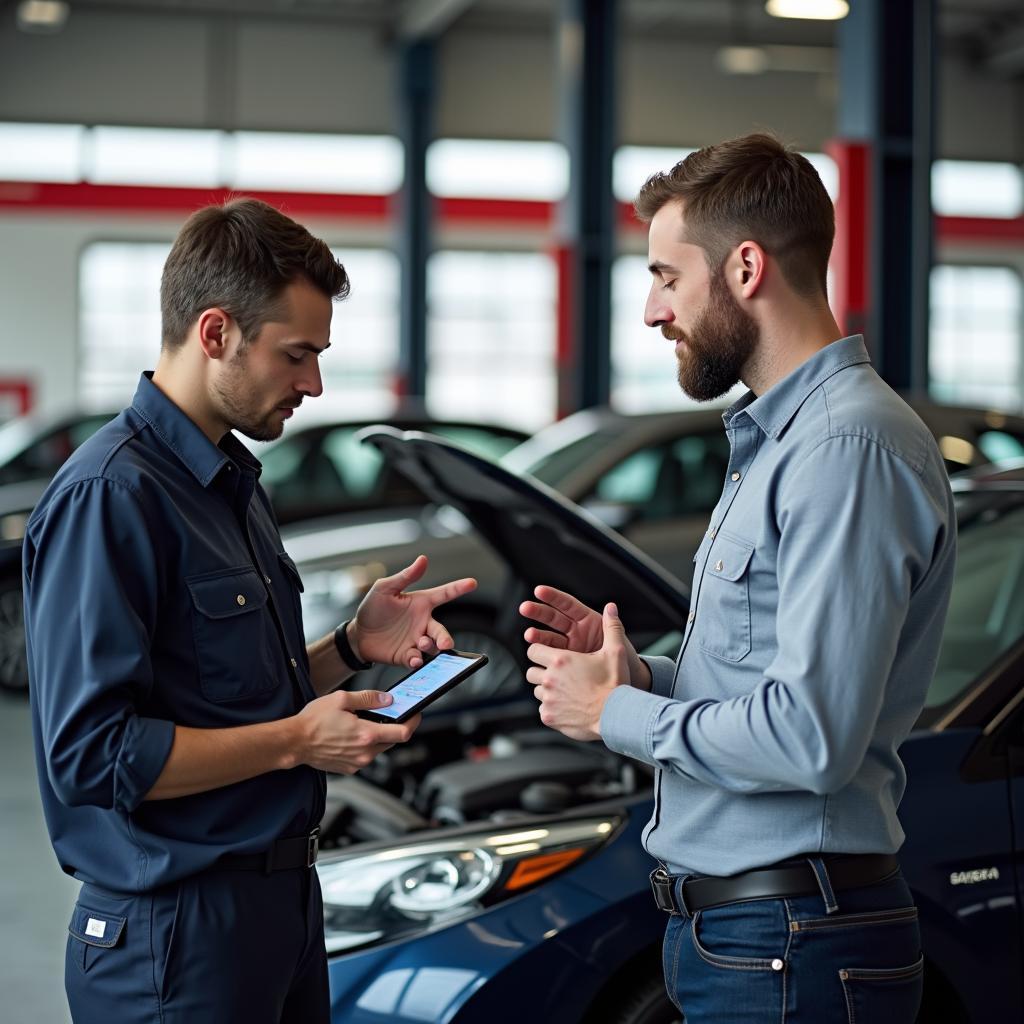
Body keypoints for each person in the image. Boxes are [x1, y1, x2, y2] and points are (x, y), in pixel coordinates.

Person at [520, 134, 956, 1023]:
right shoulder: (783, 443)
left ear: (746, 267)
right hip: (750, 937)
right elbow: (761, 683)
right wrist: (637, 676)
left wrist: (614, 715)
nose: (651, 311)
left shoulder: (846, 449)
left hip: (792, 941)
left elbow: (811, 738)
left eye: (666, 277)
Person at [23, 197, 477, 1024]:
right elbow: (92, 756)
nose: (314, 383)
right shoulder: (112, 496)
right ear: (215, 332)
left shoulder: (232, 484)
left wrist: (348, 646)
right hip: (174, 930)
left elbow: (221, 693)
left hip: (278, 909)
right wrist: (299, 740)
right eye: (296, 354)